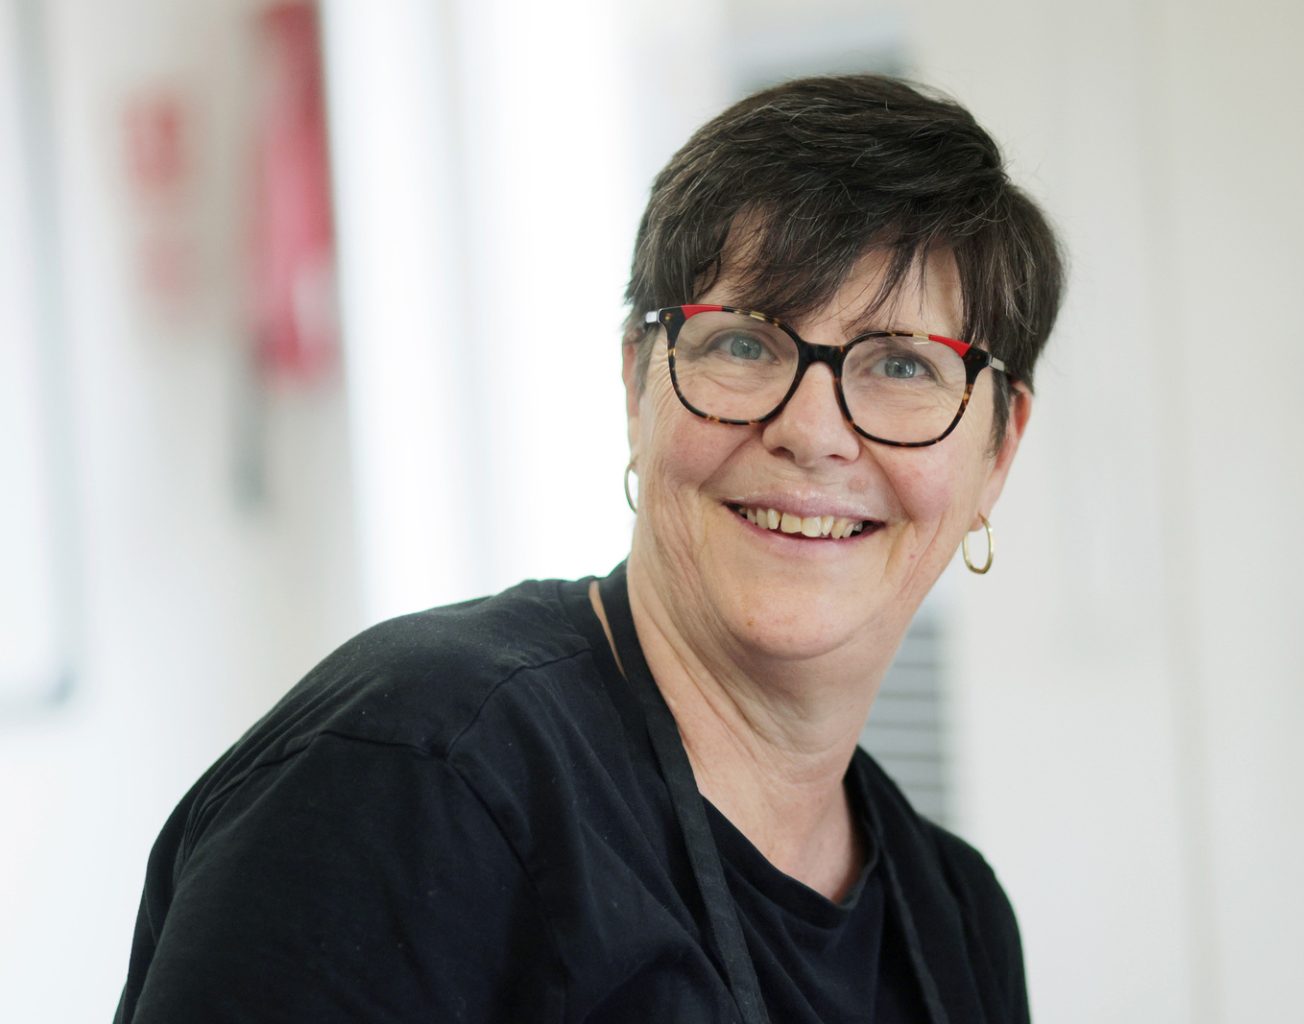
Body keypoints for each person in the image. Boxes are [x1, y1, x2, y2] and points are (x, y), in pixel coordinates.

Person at [115, 73, 1064, 1023]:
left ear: (999, 451)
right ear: (637, 389)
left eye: (902, 364)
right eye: (743, 345)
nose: (811, 431)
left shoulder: (960, 921)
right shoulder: (418, 772)